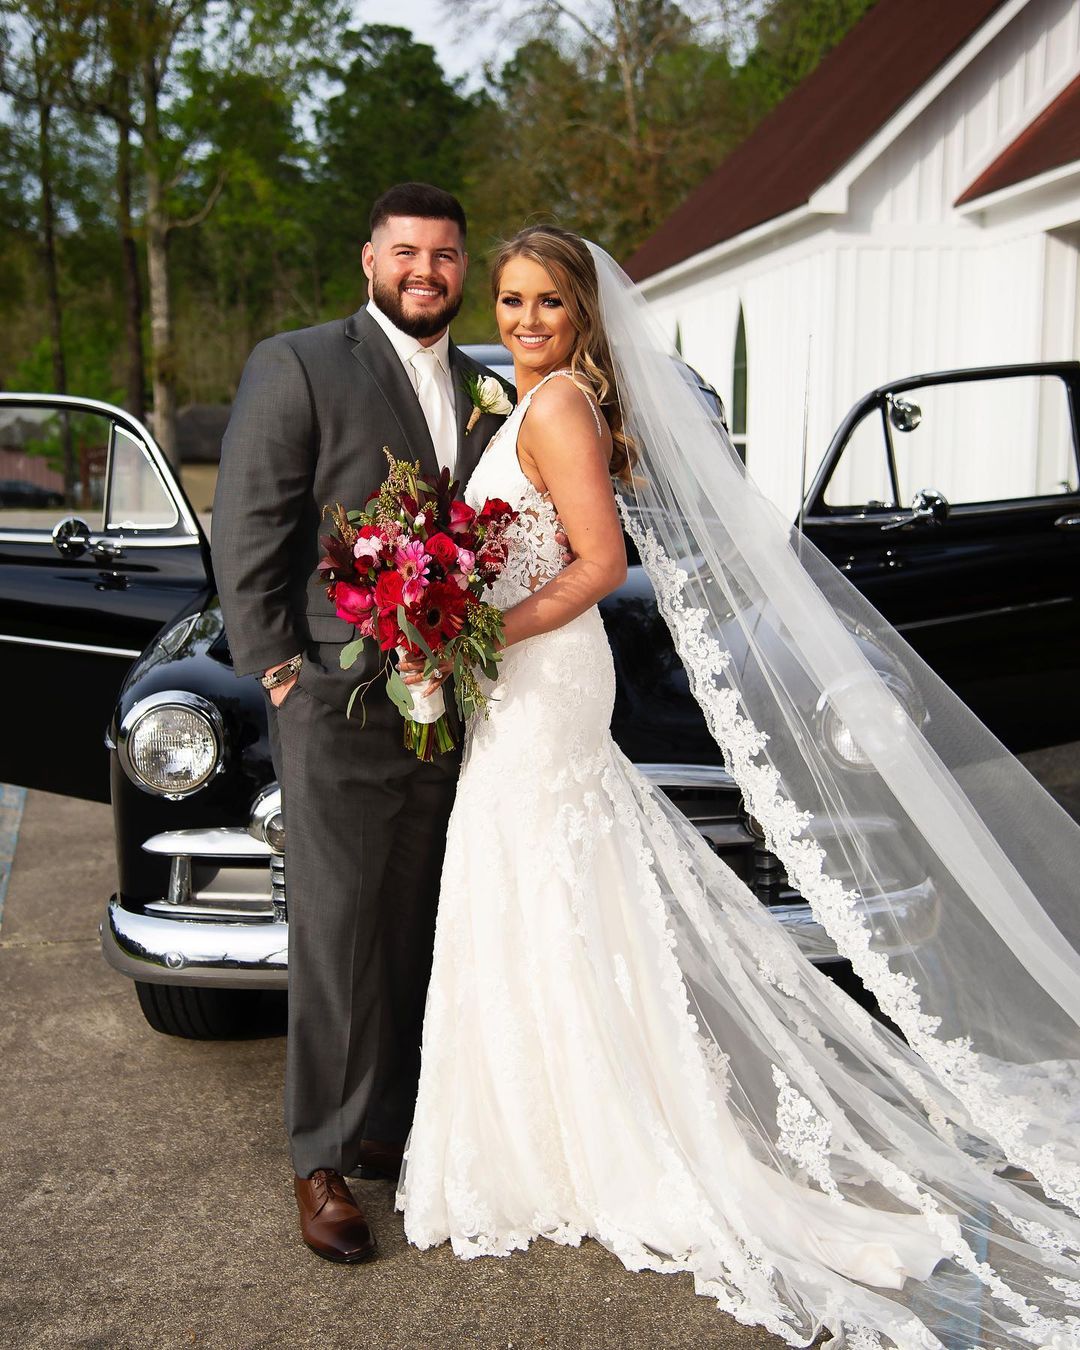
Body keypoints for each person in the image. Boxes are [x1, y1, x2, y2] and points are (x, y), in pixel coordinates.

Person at [395, 225, 1080, 1348]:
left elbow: (600, 563)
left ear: (582, 318)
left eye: (546, 305)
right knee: (529, 880)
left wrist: (474, 632)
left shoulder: (560, 407)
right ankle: (548, 1125)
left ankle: (603, 1136)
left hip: (543, 673)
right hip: (509, 680)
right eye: (510, 301)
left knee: (542, 866)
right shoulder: (513, 404)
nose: (522, 321)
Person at [212, 183, 513, 1264]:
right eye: (406, 252)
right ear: (368, 260)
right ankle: (321, 1162)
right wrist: (278, 672)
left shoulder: (487, 387)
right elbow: (249, 521)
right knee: (336, 929)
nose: (425, 270)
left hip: (452, 701)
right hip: (336, 697)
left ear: (462, 267)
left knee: (418, 917)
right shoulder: (299, 363)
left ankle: (387, 1124)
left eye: (444, 254)